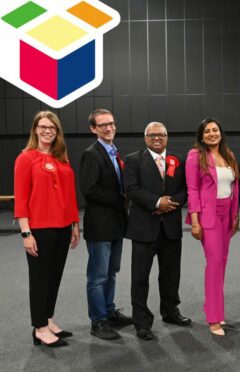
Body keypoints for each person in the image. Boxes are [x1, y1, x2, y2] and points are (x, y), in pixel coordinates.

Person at [14, 111, 80, 347]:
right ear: (35, 129)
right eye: (42, 127)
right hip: (39, 229)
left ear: (57, 131)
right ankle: (39, 327)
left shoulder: (62, 158)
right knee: (40, 278)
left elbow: (70, 195)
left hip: (63, 226)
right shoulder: (26, 158)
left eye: (52, 127)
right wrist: (26, 233)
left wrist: (74, 224)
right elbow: (21, 199)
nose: (47, 131)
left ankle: (48, 319)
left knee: (54, 277)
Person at [124, 122, 191, 341]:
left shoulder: (177, 160)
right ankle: (141, 322)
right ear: (145, 138)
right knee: (140, 278)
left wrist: (172, 203)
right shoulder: (133, 160)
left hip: (170, 228)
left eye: (161, 134)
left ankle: (170, 311)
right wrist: (156, 202)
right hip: (144, 229)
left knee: (171, 274)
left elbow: (185, 190)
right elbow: (131, 189)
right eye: (152, 135)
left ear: (167, 137)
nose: (156, 138)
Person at [80, 109, 132, 340]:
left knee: (112, 273)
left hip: (116, 225)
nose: (108, 128)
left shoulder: (114, 152)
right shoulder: (92, 154)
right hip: (100, 226)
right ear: (94, 129)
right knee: (98, 276)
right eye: (102, 125)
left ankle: (110, 313)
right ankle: (98, 321)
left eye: (111, 124)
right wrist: (122, 200)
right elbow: (89, 191)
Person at [186, 118, 239, 336]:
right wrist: (195, 221)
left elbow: (234, 187)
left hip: (228, 214)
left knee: (222, 263)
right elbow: (192, 189)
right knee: (215, 264)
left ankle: (213, 307)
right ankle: (214, 319)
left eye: (215, 130)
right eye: (207, 131)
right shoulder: (195, 156)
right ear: (201, 136)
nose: (211, 134)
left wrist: (235, 216)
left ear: (220, 133)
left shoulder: (228, 156)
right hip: (209, 216)